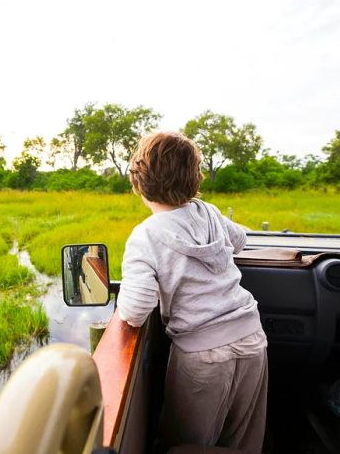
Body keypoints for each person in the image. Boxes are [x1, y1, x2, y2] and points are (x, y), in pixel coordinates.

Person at [117, 131, 268, 453]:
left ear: (139, 181)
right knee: (243, 439)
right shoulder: (209, 211)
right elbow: (240, 240)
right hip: (252, 337)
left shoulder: (145, 236)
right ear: (194, 177)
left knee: (187, 443)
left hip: (203, 354)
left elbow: (136, 308)